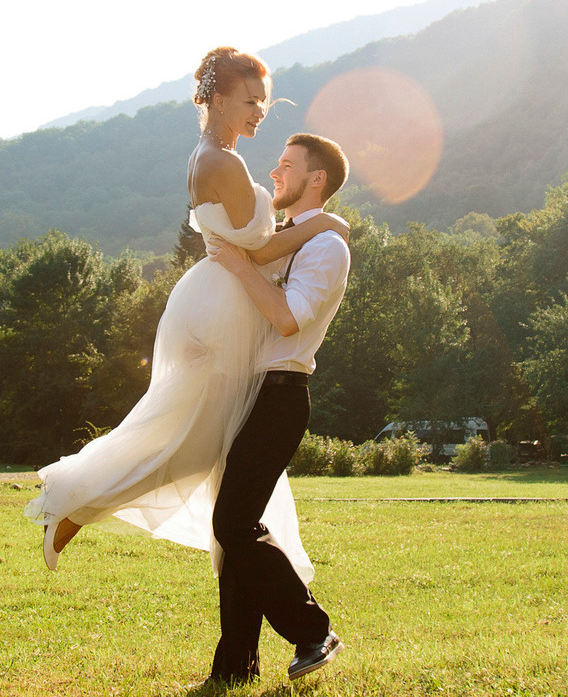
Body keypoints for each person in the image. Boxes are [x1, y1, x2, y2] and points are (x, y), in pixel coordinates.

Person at [26, 49, 344, 661]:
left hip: (217, 307)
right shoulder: (222, 161)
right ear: (218, 97)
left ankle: (81, 506)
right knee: (185, 446)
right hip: (224, 310)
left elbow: (255, 245)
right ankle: (76, 500)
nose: (260, 113)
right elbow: (258, 251)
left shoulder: (209, 156)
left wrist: (310, 232)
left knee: (193, 453)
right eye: (251, 101)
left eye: (265, 103)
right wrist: (331, 227)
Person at [199, 130, 354, 683]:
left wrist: (239, 265)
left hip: (282, 395)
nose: (274, 173)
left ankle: (314, 631)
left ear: (317, 179)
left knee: (234, 523)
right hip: (248, 392)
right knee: (237, 527)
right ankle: (234, 668)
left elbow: (288, 318)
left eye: (287, 165)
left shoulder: (328, 247)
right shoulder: (286, 237)